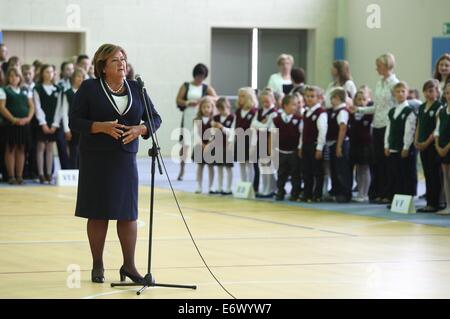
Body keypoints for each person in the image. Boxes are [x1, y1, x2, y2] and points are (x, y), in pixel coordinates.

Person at [69, 43, 161, 283]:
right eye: (115, 60)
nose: (122, 63)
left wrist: (142, 129)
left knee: (128, 215)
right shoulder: (89, 88)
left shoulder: (136, 88)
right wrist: (100, 127)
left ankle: (129, 266)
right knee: (98, 214)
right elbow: (74, 121)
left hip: (125, 160)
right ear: (102, 67)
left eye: (123, 59)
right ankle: (97, 263)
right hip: (96, 159)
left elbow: (155, 118)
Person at [357, 53, 399, 204]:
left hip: (389, 125)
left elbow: (396, 106)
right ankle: (379, 192)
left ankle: (388, 193)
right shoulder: (379, 82)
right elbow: (377, 106)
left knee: (388, 162)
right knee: (378, 161)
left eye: (379, 66)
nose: (376, 68)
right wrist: (359, 110)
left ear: (388, 66)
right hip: (377, 125)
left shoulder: (395, 84)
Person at [175, 63, 217, 181]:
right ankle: (182, 169)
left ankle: (202, 167)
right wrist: (188, 102)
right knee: (185, 143)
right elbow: (178, 99)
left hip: (201, 117)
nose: (200, 79)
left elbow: (216, 98)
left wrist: (204, 99)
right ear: (194, 75)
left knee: (201, 142)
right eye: (198, 76)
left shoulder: (205, 87)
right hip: (188, 116)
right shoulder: (186, 85)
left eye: (202, 77)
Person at [0, 67, 35, 184]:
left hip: (24, 124)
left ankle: (19, 176)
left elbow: (31, 106)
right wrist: (14, 119)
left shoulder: (26, 89)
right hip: (10, 124)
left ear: (20, 77)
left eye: (15, 75)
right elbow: (2, 107)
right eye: (10, 76)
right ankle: (11, 176)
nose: (13, 78)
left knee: (21, 149)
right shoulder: (4, 90)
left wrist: (28, 119)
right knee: (10, 149)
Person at [384, 82, 417, 202]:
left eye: (403, 91)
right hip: (393, 147)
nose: (400, 94)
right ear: (394, 94)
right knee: (395, 174)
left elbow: (410, 131)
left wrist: (406, 147)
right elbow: (388, 129)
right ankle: (397, 199)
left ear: (407, 93)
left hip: (404, 148)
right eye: (397, 92)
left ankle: (407, 198)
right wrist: (386, 145)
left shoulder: (409, 111)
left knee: (405, 174)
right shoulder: (392, 111)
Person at [415, 80, 443, 213]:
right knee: (426, 173)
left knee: (434, 174)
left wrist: (427, 142)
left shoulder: (439, 107)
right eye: (426, 91)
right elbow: (419, 125)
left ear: (437, 92)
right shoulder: (421, 107)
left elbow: (437, 128)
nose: (428, 93)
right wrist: (416, 140)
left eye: (431, 91)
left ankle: (435, 202)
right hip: (422, 145)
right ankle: (429, 202)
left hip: (432, 146)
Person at [53, 68, 87, 169]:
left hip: (83, 126)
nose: (80, 79)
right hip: (72, 126)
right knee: (73, 150)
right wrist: (67, 130)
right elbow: (64, 112)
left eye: (82, 77)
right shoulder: (67, 93)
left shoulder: (85, 93)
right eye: (78, 76)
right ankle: (73, 171)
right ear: (73, 78)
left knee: (83, 151)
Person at [33, 64, 61, 184]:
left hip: (53, 123)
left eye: (51, 72)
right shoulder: (37, 88)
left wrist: (55, 124)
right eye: (46, 72)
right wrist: (43, 123)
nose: (49, 74)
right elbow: (37, 107)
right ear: (42, 73)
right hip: (41, 123)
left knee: (50, 147)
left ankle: (49, 173)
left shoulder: (58, 89)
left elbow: (59, 108)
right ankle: (40, 173)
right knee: (41, 147)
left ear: (54, 74)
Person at [299, 86, 328, 202]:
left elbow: (322, 131)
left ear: (318, 98)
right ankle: (307, 193)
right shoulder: (305, 112)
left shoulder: (321, 112)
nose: (309, 99)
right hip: (306, 145)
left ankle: (317, 194)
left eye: (312, 96)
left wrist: (319, 148)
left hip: (315, 145)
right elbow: (303, 131)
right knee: (306, 171)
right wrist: (300, 146)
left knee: (317, 171)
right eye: (307, 96)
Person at [271, 95, 302, 201]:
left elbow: (302, 135)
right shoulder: (276, 120)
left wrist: (300, 148)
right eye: (293, 104)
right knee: (281, 173)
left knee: (295, 173)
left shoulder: (299, 119)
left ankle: (295, 193)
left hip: (294, 151)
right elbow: (272, 134)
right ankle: (280, 191)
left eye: (297, 104)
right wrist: (271, 149)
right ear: (285, 106)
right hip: (281, 151)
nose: (296, 107)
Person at [326, 88, 352, 203]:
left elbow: (342, 128)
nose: (331, 100)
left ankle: (344, 193)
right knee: (334, 169)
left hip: (340, 143)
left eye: (333, 97)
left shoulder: (342, 111)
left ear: (337, 98)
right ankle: (336, 190)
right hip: (332, 143)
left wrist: (339, 146)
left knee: (342, 169)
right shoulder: (333, 110)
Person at [251, 89, 278, 197]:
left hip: (269, 141)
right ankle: (266, 187)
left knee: (269, 167)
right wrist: (260, 124)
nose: (265, 104)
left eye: (267, 101)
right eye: (263, 102)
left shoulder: (274, 113)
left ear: (273, 100)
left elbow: (267, 127)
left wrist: (259, 125)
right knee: (262, 167)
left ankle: (270, 188)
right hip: (260, 140)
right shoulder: (259, 111)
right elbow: (252, 124)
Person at [349, 90, 373, 202]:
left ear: (368, 100)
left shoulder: (370, 114)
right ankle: (359, 191)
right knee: (358, 169)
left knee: (365, 168)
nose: (361, 101)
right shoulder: (352, 113)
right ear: (355, 100)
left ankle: (365, 193)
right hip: (354, 144)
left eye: (364, 99)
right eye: (359, 99)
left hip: (366, 145)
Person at [232, 87, 258, 184]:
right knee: (242, 164)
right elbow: (234, 126)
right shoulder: (238, 111)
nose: (239, 98)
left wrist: (253, 145)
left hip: (250, 141)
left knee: (249, 164)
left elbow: (254, 129)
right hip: (239, 140)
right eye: (239, 96)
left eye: (242, 96)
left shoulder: (254, 111)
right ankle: (243, 184)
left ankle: (250, 185)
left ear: (249, 98)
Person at [192, 96, 216, 194]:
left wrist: (209, 144)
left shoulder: (214, 120)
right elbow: (195, 134)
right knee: (200, 166)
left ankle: (211, 186)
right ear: (200, 108)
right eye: (204, 107)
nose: (206, 109)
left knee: (211, 167)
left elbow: (215, 133)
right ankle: (198, 185)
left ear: (212, 108)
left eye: (208, 107)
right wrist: (202, 144)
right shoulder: (197, 120)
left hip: (211, 146)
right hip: (200, 145)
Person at [211, 97, 234, 195]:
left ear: (228, 106)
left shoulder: (232, 117)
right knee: (219, 167)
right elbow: (212, 132)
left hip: (228, 145)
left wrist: (222, 128)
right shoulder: (216, 118)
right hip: (218, 146)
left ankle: (228, 188)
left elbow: (233, 132)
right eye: (219, 108)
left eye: (223, 108)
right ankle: (219, 187)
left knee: (228, 168)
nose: (221, 110)